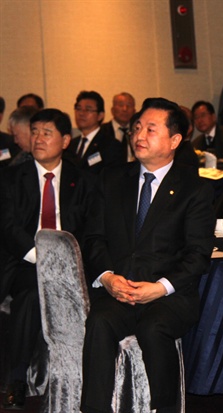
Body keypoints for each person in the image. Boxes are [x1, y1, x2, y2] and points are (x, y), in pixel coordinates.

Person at [80, 98, 215, 413]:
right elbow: (94, 238)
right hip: (119, 289)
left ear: (174, 141)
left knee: (154, 328)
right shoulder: (112, 180)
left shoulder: (194, 189)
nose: (139, 135)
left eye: (151, 129)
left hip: (169, 295)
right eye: (137, 128)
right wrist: (108, 278)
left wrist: (159, 287)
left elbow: (198, 255)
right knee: (99, 322)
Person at [0, 108, 99, 410]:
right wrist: (39, 259)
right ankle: (16, 379)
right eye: (35, 131)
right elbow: (8, 226)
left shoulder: (82, 180)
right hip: (25, 261)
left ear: (65, 141)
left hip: (72, 264)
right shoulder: (10, 177)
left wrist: (68, 262)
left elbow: (89, 228)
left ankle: (79, 380)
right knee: (32, 294)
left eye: (47, 132)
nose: (38, 138)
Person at [66, 90, 123, 174]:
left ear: (100, 115)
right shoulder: (70, 144)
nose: (81, 113)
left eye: (88, 110)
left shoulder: (111, 145)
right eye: (78, 109)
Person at [99, 92, 137, 162]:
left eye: (129, 105)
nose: (125, 109)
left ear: (134, 111)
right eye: (121, 105)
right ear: (112, 110)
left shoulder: (138, 132)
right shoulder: (101, 131)